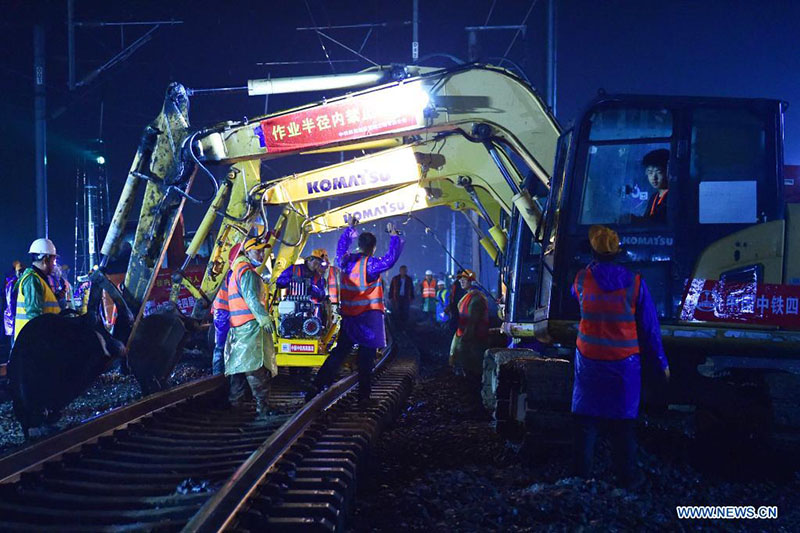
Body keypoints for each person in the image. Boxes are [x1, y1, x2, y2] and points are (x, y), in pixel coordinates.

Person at [571, 225, 670, 488]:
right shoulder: (635, 283)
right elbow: (650, 327)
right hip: (624, 364)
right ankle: (627, 478)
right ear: (617, 252)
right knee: (623, 424)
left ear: (593, 251)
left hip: (589, 361)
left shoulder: (581, 280)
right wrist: (662, 362)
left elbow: (575, 298)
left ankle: (580, 478)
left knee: (586, 423)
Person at [308, 218, 403, 404]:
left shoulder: (345, 261)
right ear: (373, 248)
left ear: (359, 245)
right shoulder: (370, 265)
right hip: (368, 317)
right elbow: (390, 260)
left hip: (350, 316)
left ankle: (317, 384)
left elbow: (340, 248)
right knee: (366, 358)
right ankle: (364, 397)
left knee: (340, 352)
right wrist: (394, 237)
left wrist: (349, 229)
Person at [225, 237, 278, 417]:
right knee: (256, 368)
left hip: (239, 327)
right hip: (251, 327)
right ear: (247, 252)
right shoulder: (246, 272)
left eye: (263, 250)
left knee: (239, 368)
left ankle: (236, 407)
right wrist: (264, 319)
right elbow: (252, 299)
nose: (262, 254)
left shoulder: (237, 271)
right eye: (258, 250)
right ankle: (263, 408)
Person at [14, 239, 61, 342]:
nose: (54, 265)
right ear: (45, 260)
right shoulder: (32, 280)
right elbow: (34, 317)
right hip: (31, 344)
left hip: (36, 342)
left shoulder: (39, 279)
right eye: (53, 261)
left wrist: (57, 298)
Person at [449, 270, 489, 377]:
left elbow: (472, 321)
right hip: (463, 333)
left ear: (471, 281)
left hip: (471, 337)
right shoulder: (469, 296)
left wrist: (466, 337)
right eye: (460, 279)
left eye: (464, 279)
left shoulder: (476, 298)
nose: (461, 281)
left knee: (470, 367)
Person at [211, 267, 233, 376]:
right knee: (223, 346)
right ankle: (220, 373)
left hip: (219, 310)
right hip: (225, 310)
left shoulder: (220, 271)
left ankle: (218, 373)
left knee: (220, 345)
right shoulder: (230, 273)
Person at [641, 149, 669, 223]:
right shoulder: (654, 197)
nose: (654, 177)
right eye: (650, 173)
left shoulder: (672, 197)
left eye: (658, 172)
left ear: (668, 171)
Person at [4, 260, 24, 337]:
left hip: (15, 314)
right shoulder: (13, 282)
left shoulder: (15, 281)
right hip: (14, 314)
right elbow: (10, 300)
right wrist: (13, 313)